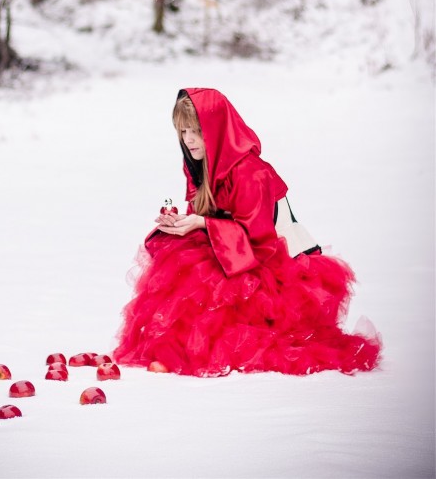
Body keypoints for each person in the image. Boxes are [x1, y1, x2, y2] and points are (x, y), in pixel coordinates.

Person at [113, 87, 382, 377]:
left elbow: (259, 243)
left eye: (196, 131)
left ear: (216, 130)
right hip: (234, 247)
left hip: (277, 263)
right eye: (183, 131)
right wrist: (181, 223)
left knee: (206, 281)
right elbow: (210, 215)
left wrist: (202, 224)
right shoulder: (202, 161)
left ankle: (196, 351)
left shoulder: (250, 172)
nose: (188, 139)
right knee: (180, 256)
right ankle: (176, 348)